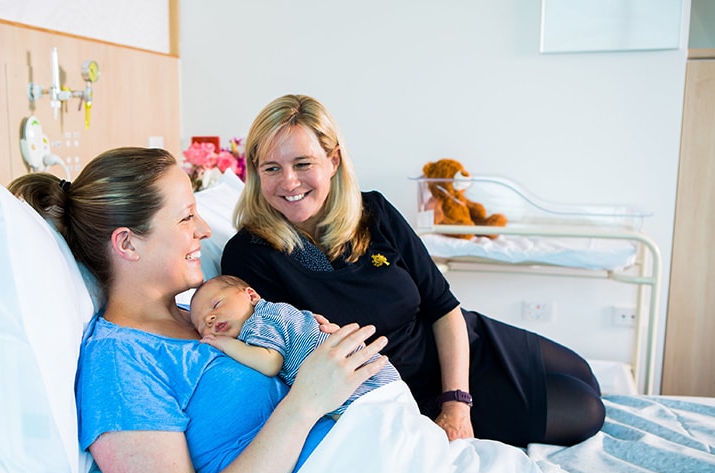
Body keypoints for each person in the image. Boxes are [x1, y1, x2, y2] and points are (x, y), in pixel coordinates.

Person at [8, 147, 390, 473]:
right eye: (186, 216)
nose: (205, 229)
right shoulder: (119, 363)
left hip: (372, 466)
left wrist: (306, 338)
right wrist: (305, 403)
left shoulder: (200, 316)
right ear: (128, 244)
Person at [221, 93, 606, 448]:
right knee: (586, 411)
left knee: (584, 375)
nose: (289, 182)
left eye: (303, 164)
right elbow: (279, 359)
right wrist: (445, 412)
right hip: (408, 392)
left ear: (333, 161)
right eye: (272, 168)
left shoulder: (373, 212)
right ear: (255, 172)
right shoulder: (249, 257)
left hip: (462, 347)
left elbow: (442, 305)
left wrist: (458, 401)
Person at [189, 274, 401, 418]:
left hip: (361, 389)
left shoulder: (259, 321)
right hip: (378, 380)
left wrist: (224, 344)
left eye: (216, 305)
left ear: (251, 295)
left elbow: (269, 362)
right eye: (202, 325)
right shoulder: (276, 313)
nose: (210, 318)